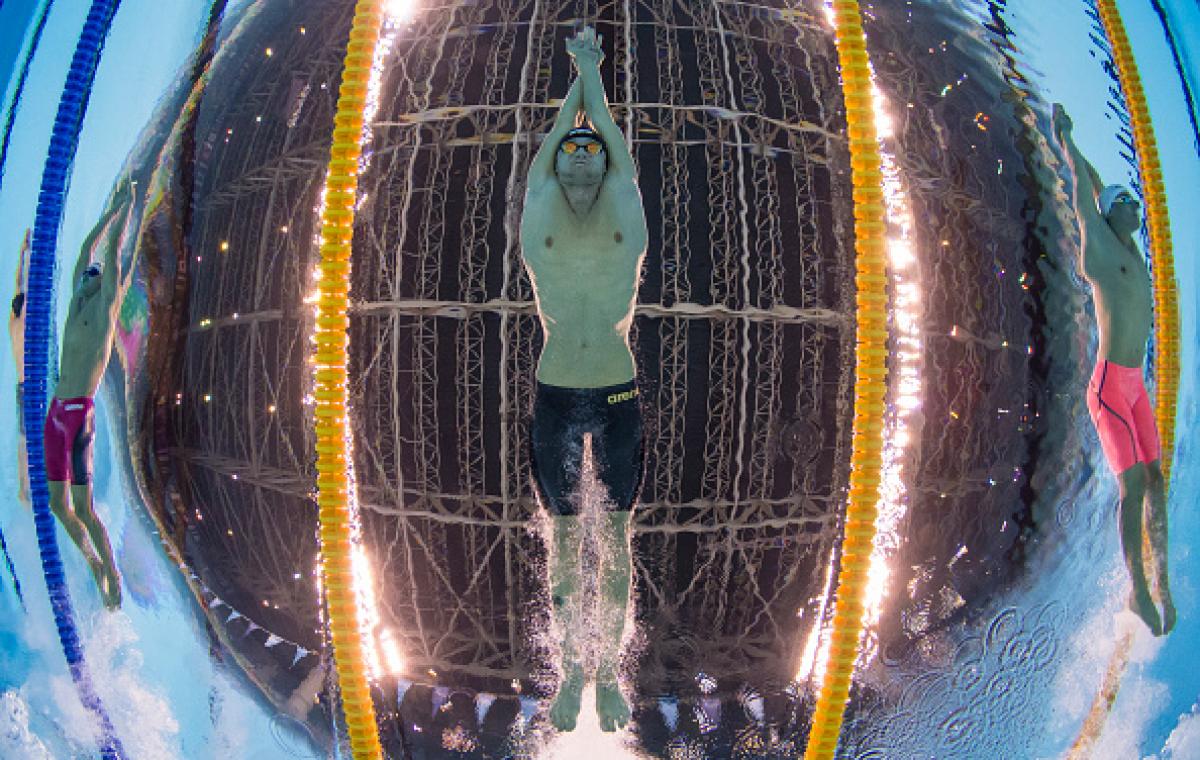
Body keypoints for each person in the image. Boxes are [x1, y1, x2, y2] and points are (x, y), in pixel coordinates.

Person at [520, 26, 648, 731]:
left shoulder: (625, 203)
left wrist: (590, 74)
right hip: (557, 397)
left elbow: (610, 139)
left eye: (588, 149)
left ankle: (611, 677)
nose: (575, 157)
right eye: (566, 149)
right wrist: (579, 79)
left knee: (620, 540)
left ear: (602, 164)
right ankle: (574, 671)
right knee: (568, 541)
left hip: (620, 392)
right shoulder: (536, 207)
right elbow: (556, 148)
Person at [1053, 103, 1174, 635]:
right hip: (1108, 388)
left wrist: (1092, 168)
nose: (1140, 216)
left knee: (1156, 479)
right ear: (1116, 210)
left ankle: (1162, 577)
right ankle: (1137, 593)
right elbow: (1085, 184)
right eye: (1133, 208)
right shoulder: (1101, 246)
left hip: (1135, 387)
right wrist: (1066, 137)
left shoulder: (1130, 248)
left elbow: (1101, 183)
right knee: (1132, 487)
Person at [44, 178, 135, 609]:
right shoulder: (74, 311)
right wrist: (107, 213)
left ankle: (112, 570)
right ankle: (93, 565)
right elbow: (87, 251)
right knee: (59, 508)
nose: (83, 285)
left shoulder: (103, 311)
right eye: (82, 280)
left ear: (100, 286)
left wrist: (125, 208)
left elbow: (111, 257)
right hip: (54, 414)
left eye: (90, 281)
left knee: (84, 506)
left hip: (79, 414)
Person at [9, 230, 31, 504]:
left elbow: (18, 286)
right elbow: (21, 287)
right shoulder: (23, 323)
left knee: (25, 441)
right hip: (29, 390)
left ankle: (23, 487)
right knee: (27, 441)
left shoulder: (13, 323)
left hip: (22, 386)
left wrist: (22, 254)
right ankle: (24, 489)